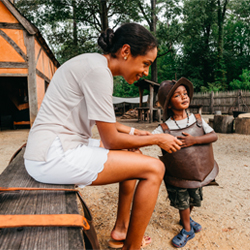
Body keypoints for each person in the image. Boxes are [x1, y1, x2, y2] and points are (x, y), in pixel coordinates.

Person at [23, 23, 182, 250]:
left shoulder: (93, 64)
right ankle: (132, 247)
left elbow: (108, 123)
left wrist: (135, 132)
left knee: (131, 152)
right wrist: (157, 139)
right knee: (155, 168)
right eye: (145, 63)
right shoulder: (98, 72)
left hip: (56, 144)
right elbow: (111, 141)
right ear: (126, 52)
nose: (146, 72)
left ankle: (121, 230)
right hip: (52, 153)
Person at [152, 77, 219, 248]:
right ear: (168, 104)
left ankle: (187, 219)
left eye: (185, 93)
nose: (184, 97)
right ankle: (187, 229)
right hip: (178, 174)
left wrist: (194, 141)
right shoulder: (164, 128)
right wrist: (133, 144)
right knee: (182, 201)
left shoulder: (197, 119)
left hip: (197, 172)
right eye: (177, 95)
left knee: (193, 199)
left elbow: (214, 136)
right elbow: (149, 138)